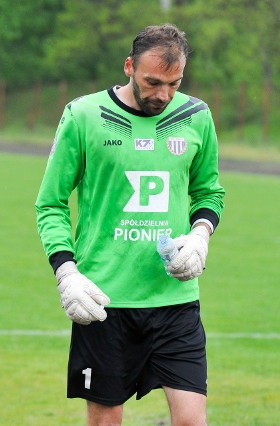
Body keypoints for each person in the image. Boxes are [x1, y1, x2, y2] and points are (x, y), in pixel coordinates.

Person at [35, 24, 225, 425]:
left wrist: (200, 235)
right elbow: (50, 203)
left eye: (173, 84)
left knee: (193, 420)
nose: (162, 94)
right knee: (106, 421)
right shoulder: (84, 115)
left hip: (174, 300)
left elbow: (209, 193)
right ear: (128, 67)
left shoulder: (195, 116)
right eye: (152, 82)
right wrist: (66, 272)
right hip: (104, 302)